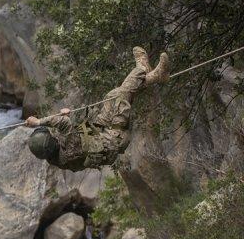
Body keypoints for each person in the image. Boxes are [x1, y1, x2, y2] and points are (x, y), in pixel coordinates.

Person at [25, 46, 170, 171]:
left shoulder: (55, 158)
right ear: (52, 143)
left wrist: (65, 117)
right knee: (121, 95)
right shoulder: (66, 147)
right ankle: (142, 68)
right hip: (115, 135)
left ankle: (156, 76)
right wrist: (38, 122)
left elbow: (71, 135)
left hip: (99, 130)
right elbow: (63, 124)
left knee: (111, 96)